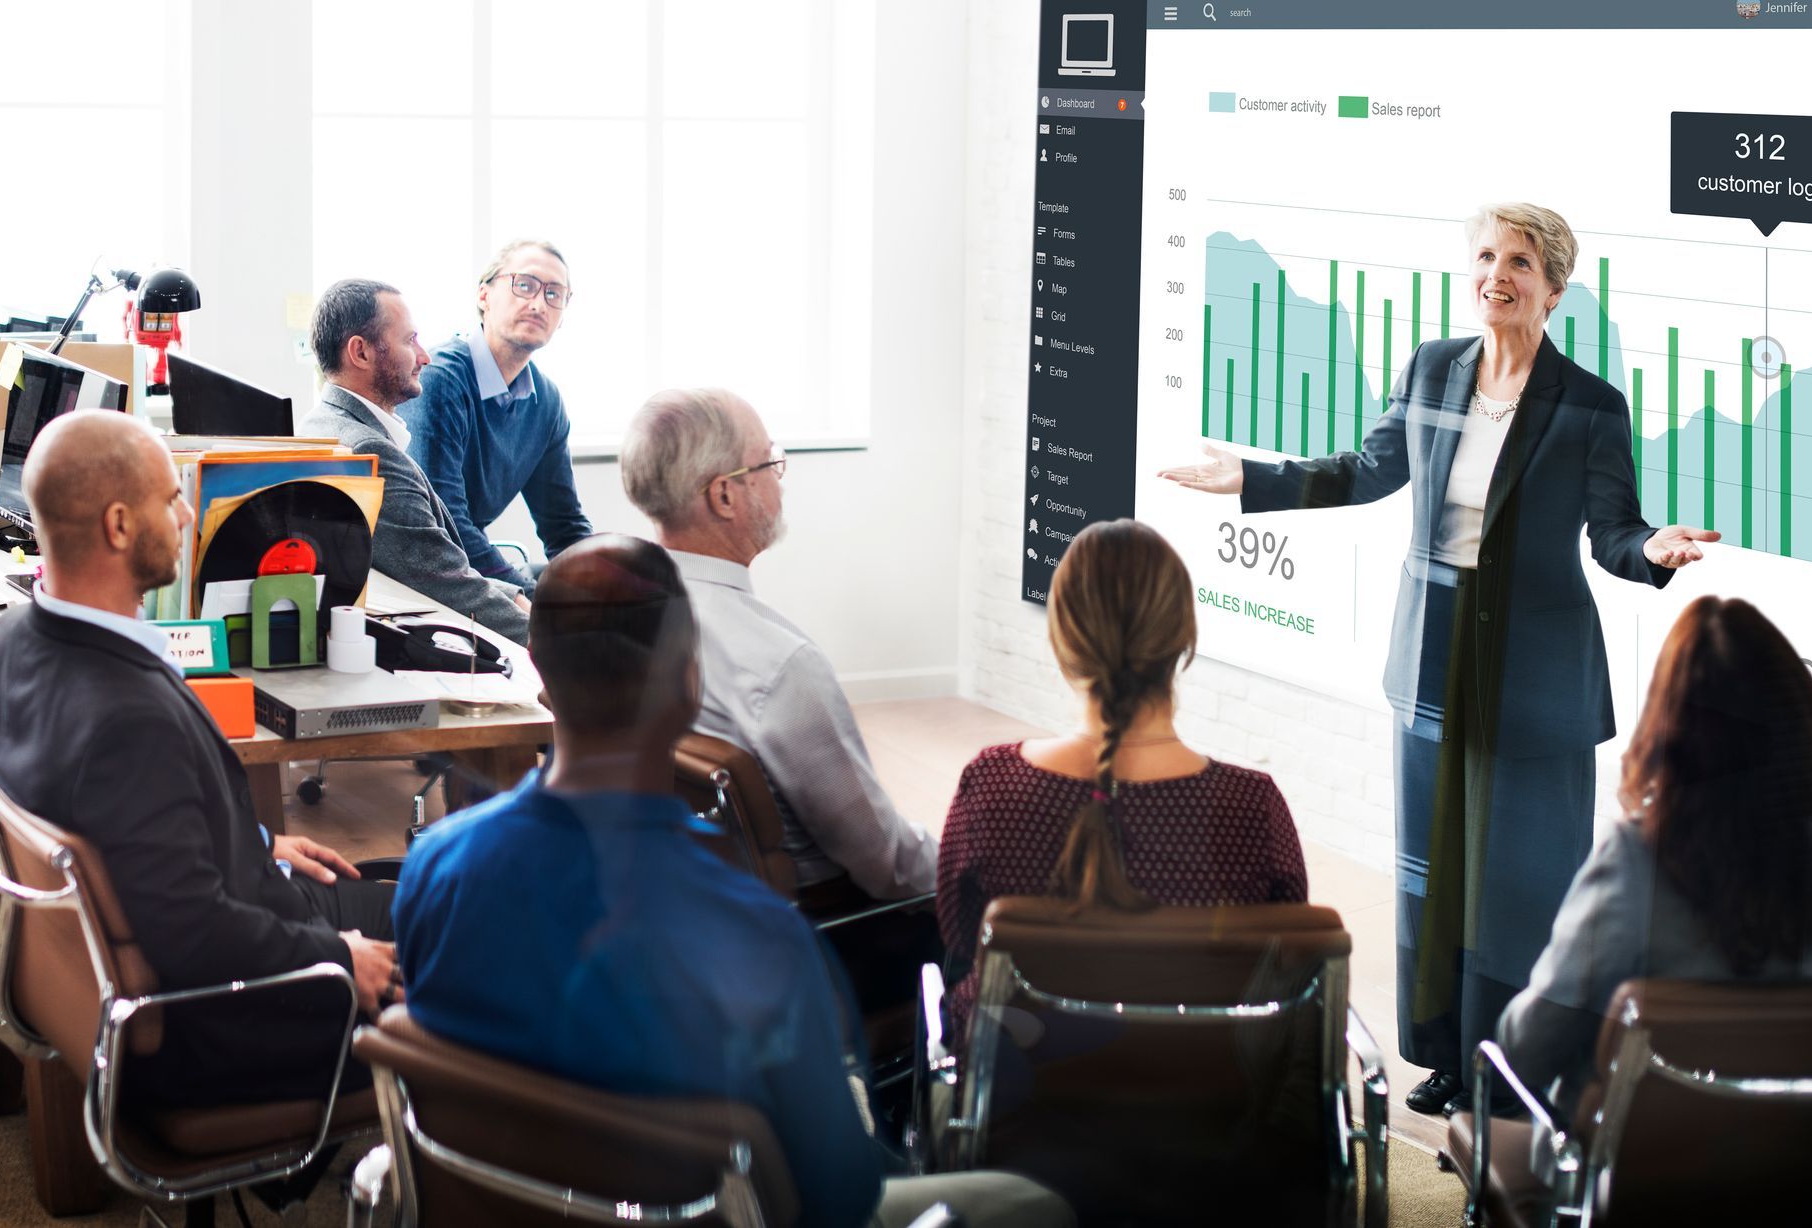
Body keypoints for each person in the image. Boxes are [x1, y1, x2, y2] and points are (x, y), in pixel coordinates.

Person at [1159, 203, 1720, 1116]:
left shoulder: (1589, 405)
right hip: (1432, 654)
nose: (1499, 274)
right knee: (1435, 875)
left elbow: (1614, 531)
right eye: (1488, 256)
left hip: (1536, 673)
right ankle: (1450, 1056)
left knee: (1525, 882)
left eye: (1522, 262)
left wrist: (1652, 549)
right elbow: (1369, 468)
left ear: (1555, 288)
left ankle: (1522, 1066)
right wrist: (1255, 478)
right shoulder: (1431, 367)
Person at [392, 537, 1073, 1228]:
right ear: (689, 684)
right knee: (1036, 1205)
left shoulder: (435, 868)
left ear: (537, 666)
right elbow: (840, 1196)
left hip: (504, 1204)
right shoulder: (757, 937)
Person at [0, 410, 399, 1108]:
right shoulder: (128, 720)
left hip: (218, 922)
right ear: (119, 526)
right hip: (231, 1018)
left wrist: (257, 842)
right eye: (170, 499)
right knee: (470, 933)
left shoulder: (13, 640)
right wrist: (340, 958)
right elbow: (195, 934)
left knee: (426, 886)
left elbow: (130, 833)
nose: (187, 516)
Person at [1499, 596, 1812, 1114]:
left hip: (1653, 1161)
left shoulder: (1633, 866)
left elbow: (1526, 1051)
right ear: (1806, 726)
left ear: (1669, 735)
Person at [937, 519, 1308, 1042]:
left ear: (1061, 639)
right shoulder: (1251, 809)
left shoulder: (994, 787)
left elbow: (959, 941)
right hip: (1204, 1084)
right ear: (1184, 639)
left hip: (1023, 1084)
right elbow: (1286, 976)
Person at [619, 387, 936, 900]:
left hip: (672, 901)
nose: (780, 480)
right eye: (769, 462)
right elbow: (888, 866)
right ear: (724, 496)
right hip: (818, 925)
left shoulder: (613, 615)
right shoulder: (780, 667)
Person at [303, 278, 530, 644]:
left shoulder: (321, 425)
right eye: (410, 340)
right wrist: (554, 644)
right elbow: (444, 583)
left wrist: (515, 595)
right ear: (360, 352)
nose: (424, 356)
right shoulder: (369, 452)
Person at [399, 240, 591, 596]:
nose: (539, 304)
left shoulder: (546, 401)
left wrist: (607, 586)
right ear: (484, 296)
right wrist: (531, 597)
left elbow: (563, 526)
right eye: (525, 285)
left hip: (465, 570)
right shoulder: (440, 380)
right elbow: (446, 525)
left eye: (554, 294)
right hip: (415, 576)